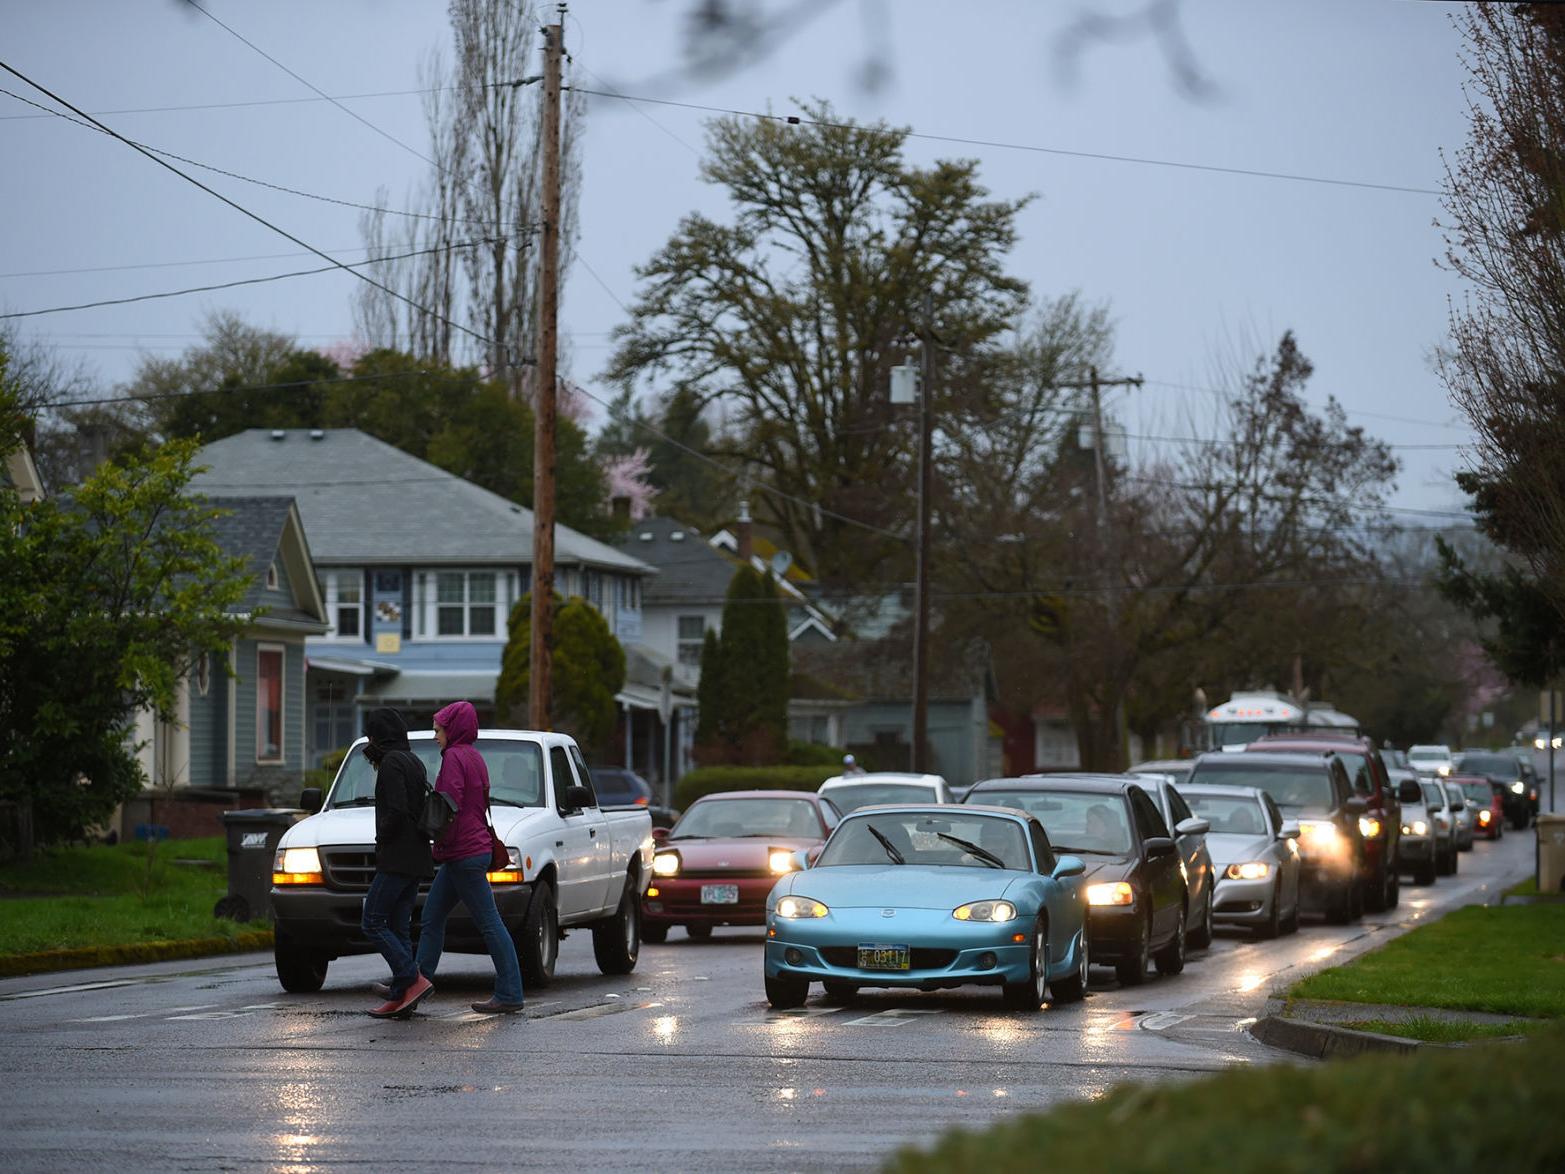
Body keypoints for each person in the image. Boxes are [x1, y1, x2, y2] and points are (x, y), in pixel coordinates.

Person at [414, 700, 525, 1015]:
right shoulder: (475, 757)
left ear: (452, 730)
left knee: (489, 922)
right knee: (432, 917)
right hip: (469, 851)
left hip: (463, 853)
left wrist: (431, 832)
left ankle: (510, 992)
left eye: (438, 730)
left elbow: (447, 805)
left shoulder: (453, 757)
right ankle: (414, 985)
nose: (435, 736)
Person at [360, 708, 435, 1019]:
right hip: (417, 855)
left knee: (372, 921)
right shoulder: (413, 761)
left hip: (397, 857)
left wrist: (382, 838)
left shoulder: (391, 763)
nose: (370, 743)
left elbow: (397, 810)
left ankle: (410, 978)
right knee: (398, 926)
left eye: (372, 736)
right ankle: (401, 996)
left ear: (381, 736)